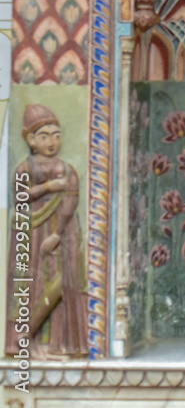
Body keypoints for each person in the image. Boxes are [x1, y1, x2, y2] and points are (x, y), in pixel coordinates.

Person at [4, 105, 86, 357]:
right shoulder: (25, 168)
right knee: (32, 282)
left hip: (62, 231)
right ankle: (24, 340)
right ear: (30, 139)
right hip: (30, 231)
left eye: (57, 134)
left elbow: (72, 197)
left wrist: (58, 233)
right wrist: (50, 186)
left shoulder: (67, 168)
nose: (52, 141)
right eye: (44, 135)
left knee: (66, 279)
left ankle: (59, 342)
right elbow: (19, 195)